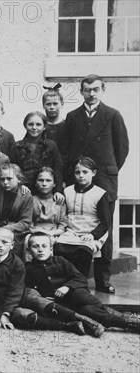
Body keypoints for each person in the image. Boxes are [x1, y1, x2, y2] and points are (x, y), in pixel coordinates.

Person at [60, 74, 129, 294]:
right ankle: (74, 278)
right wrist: (75, 174)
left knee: (104, 227)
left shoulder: (112, 115)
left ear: (103, 90)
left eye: (96, 89)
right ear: (81, 91)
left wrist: (108, 171)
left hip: (104, 178)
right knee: (76, 224)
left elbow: (121, 149)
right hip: (78, 177)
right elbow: (67, 148)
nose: (91, 94)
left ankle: (103, 279)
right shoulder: (72, 117)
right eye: (87, 90)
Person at [0, 228, 100, 335]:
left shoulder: (17, 263)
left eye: (4, 242)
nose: (0, 245)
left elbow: (16, 290)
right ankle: (68, 326)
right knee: (22, 315)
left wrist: (6, 312)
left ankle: (82, 319)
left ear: (12, 245)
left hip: (18, 297)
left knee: (35, 299)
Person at [26, 232, 140, 334]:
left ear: (51, 249)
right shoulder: (28, 269)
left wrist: (67, 287)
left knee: (79, 294)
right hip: (64, 305)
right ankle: (128, 322)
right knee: (88, 311)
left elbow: (80, 278)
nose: (40, 250)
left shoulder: (60, 261)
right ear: (29, 250)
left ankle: (122, 318)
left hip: (76, 295)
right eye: (35, 247)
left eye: (44, 246)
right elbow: (29, 290)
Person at [55, 157, 110, 277]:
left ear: (93, 173)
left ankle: (80, 282)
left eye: (85, 172)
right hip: (72, 232)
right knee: (58, 247)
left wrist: (92, 235)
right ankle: (64, 280)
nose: (81, 175)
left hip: (91, 232)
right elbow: (63, 214)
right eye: (77, 172)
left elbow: (106, 222)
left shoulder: (99, 194)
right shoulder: (67, 191)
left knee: (83, 251)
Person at [9, 111, 64, 198]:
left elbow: (58, 168)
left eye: (38, 125)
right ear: (25, 126)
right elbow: (13, 170)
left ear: (44, 127)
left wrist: (58, 190)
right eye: (30, 124)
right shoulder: (17, 146)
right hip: (24, 191)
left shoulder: (51, 145)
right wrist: (20, 185)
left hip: (47, 190)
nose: (34, 127)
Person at [0, 163, 33, 259]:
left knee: (13, 246)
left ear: (19, 179)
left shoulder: (25, 196)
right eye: (2, 179)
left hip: (16, 231)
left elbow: (25, 222)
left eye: (9, 179)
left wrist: (7, 228)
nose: (5, 182)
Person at [26, 167, 67, 260]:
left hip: (54, 233)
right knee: (27, 242)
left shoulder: (59, 201)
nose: (44, 184)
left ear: (54, 184)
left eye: (48, 180)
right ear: (36, 183)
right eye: (41, 180)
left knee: (57, 244)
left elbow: (63, 224)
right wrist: (36, 231)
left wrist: (52, 233)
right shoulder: (31, 200)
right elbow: (28, 222)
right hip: (34, 232)